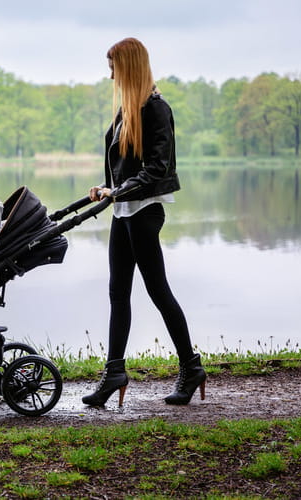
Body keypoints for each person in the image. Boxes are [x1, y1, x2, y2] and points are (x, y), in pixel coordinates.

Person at [82, 37, 206, 407]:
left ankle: (191, 367)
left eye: (114, 69)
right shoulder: (127, 110)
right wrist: (107, 188)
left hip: (145, 212)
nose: (111, 77)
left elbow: (158, 167)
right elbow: (125, 165)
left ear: (129, 68)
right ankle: (114, 372)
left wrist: (118, 191)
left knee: (158, 291)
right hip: (123, 211)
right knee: (117, 293)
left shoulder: (156, 109)